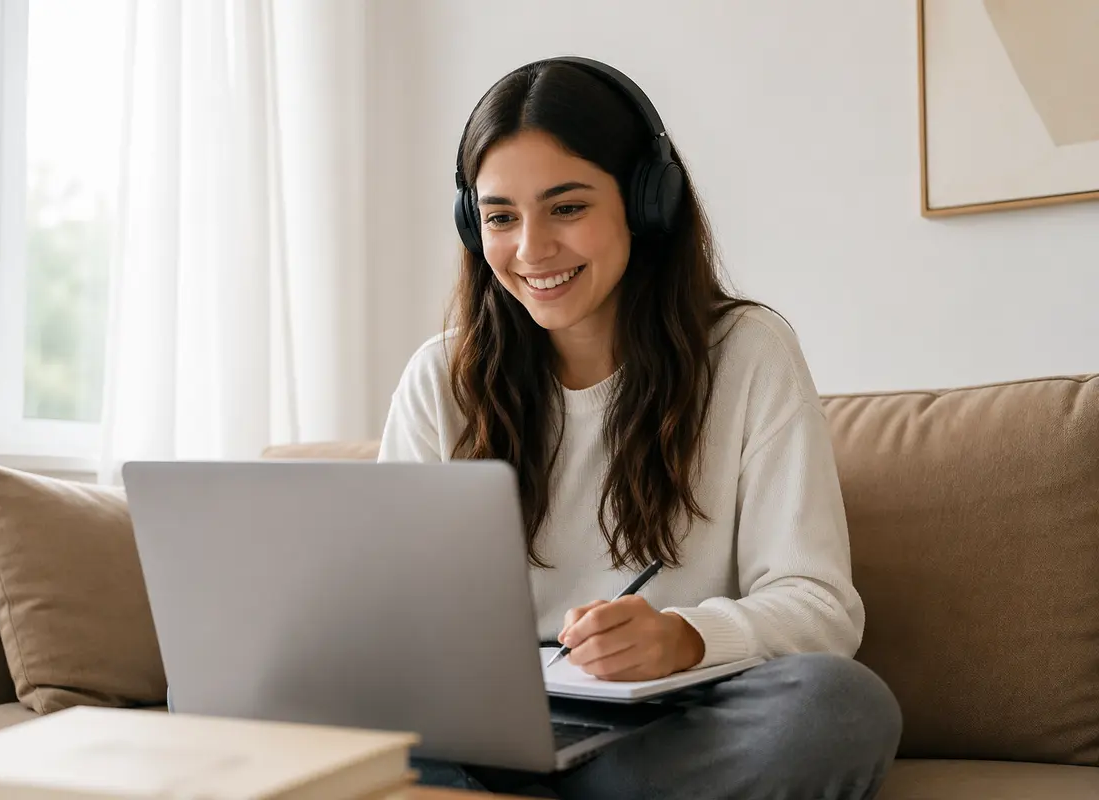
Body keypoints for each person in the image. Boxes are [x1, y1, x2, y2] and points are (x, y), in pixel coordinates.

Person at [378, 56, 902, 800]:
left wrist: (685, 637)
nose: (531, 250)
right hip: (487, 734)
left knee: (840, 709)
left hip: (662, 725)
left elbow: (819, 605)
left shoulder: (747, 354)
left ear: (646, 203)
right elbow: (388, 616)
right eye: (500, 217)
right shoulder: (442, 380)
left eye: (567, 208)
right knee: (206, 708)